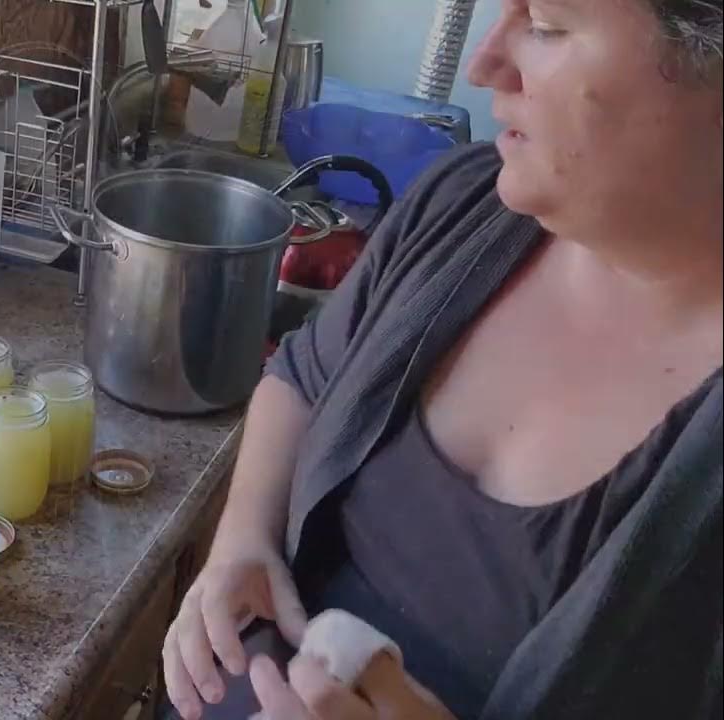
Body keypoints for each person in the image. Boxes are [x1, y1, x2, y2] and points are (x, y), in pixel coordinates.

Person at [162, 0, 723, 718]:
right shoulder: (461, 205)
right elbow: (305, 374)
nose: (484, 63)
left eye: (548, 24)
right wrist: (244, 539)